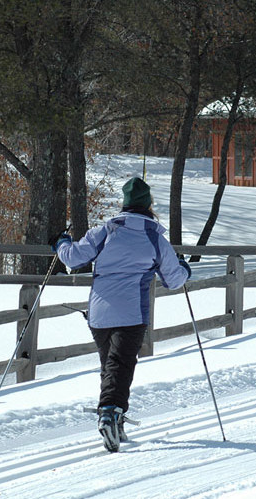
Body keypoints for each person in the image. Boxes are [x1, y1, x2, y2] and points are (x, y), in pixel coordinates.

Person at [53, 177, 191, 452]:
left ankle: (116, 421)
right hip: (131, 312)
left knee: (111, 366)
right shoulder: (155, 238)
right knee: (121, 365)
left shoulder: (105, 231)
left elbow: (72, 258)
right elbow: (174, 280)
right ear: (149, 205)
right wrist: (185, 268)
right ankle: (109, 413)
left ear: (125, 204)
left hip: (99, 313)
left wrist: (60, 242)